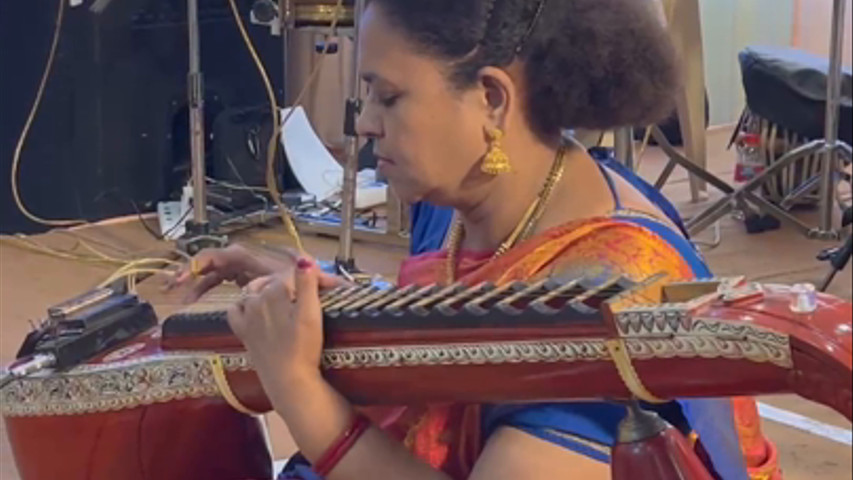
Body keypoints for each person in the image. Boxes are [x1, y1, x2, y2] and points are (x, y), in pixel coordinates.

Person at [170, 1, 776, 478]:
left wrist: (298, 390)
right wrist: (319, 294)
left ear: (490, 99)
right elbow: (450, 324)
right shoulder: (462, 200)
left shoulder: (604, 295)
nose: (363, 122)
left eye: (389, 96)